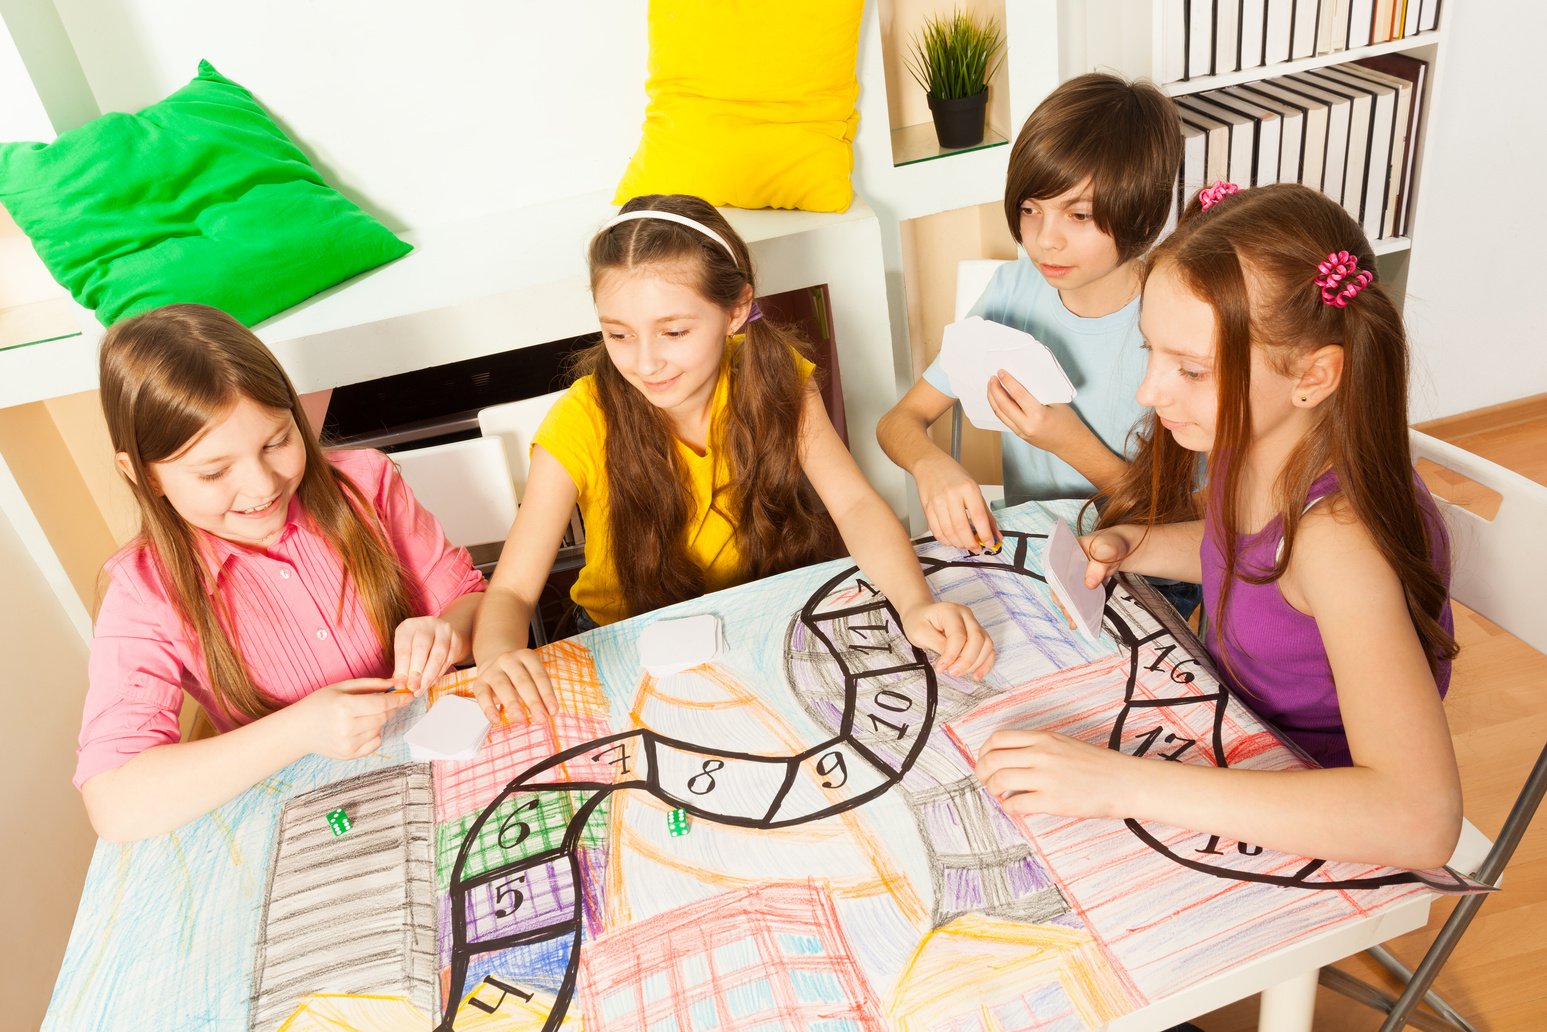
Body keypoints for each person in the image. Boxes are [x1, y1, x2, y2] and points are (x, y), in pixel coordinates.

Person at [976, 183, 1462, 871]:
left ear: (1312, 376)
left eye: (1190, 369)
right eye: (1150, 352)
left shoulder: (1337, 541)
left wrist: (1116, 784)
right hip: (1230, 733)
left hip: (1314, 813)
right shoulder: (1251, 441)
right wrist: (1132, 545)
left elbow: (1421, 821)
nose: (1149, 391)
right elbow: (1242, 554)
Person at [473, 194, 995, 721]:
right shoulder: (582, 418)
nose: (647, 361)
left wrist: (915, 604)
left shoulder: (778, 378)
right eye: (618, 335)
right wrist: (499, 655)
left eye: (674, 332)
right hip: (627, 647)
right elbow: (512, 591)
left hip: (760, 618)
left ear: (737, 309)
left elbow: (855, 505)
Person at [76, 304, 486, 841]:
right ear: (144, 476)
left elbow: (477, 601)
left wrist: (448, 630)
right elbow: (115, 803)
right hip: (318, 821)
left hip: (454, 770)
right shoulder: (143, 592)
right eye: (214, 471)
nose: (262, 485)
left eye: (276, 442)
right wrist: (299, 729)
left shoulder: (366, 484)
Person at [877, 72, 1183, 553]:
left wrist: (1066, 441)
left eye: (1078, 215)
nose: (1044, 240)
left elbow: (1189, 520)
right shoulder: (1012, 291)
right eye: (1030, 208)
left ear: (1142, 214)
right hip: (1032, 550)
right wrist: (930, 464)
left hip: (1142, 562)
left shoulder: (1179, 324)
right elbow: (899, 420)